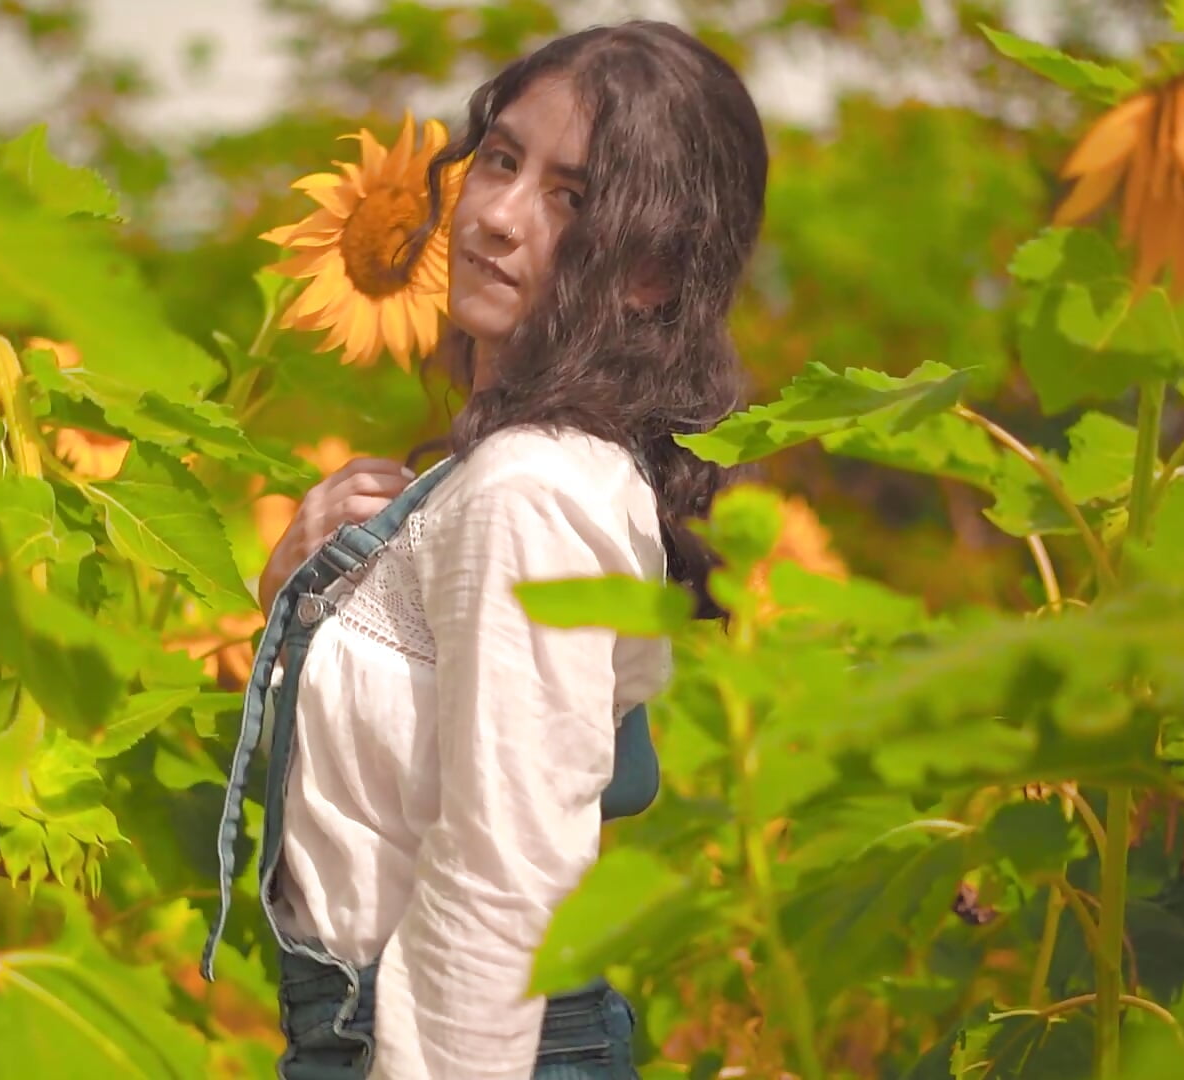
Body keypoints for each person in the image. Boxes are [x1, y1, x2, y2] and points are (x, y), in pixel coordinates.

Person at [206, 20, 768, 1079]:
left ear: (653, 271)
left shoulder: (528, 489)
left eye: (574, 197)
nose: (497, 219)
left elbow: (505, 885)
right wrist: (305, 591)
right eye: (500, 161)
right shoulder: (517, 471)